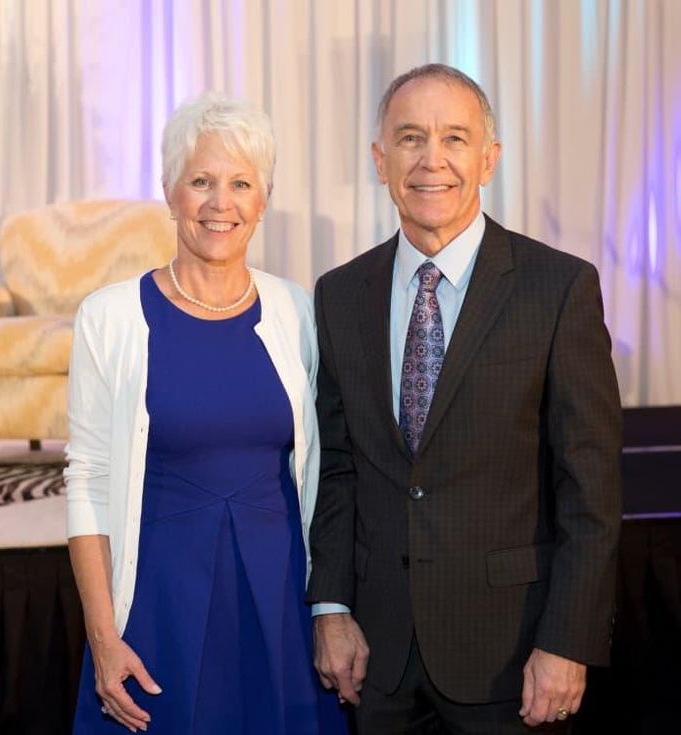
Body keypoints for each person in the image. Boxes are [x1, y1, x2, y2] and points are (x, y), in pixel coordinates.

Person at [307, 64, 622, 733]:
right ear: (380, 157)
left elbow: (590, 487)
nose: (432, 160)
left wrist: (568, 639)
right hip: (378, 660)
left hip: (511, 657)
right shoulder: (339, 295)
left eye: (455, 138)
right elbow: (337, 469)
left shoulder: (557, 289)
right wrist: (330, 606)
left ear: (488, 159)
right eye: (411, 137)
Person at [65, 92, 346, 734]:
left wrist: (332, 609)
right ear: (169, 191)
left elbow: (327, 473)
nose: (221, 204)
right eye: (201, 181)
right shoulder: (108, 319)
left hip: (280, 601)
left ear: (264, 200)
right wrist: (104, 637)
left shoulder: (298, 312)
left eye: (241, 183)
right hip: (161, 602)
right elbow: (86, 481)